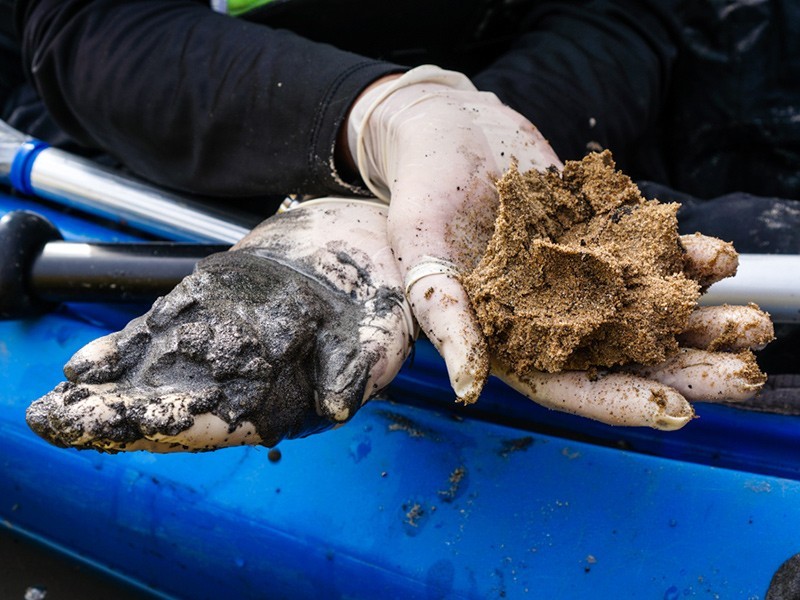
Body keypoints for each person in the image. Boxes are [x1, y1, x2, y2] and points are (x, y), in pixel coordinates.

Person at [6, 0, 796, 451]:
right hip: (214, 135)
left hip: (512, 109)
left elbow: (623, 16)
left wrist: (469, 151)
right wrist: (380, 117)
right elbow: (87, 25)